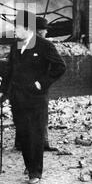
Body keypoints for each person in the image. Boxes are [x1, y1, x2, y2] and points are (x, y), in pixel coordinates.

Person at [0, 10, 66, 184]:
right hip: (17, 98)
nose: (14, 30)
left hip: (36, 99)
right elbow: (9, 71)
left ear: (28, 28)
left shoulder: (44, 45)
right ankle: (30, 166)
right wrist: (1, 91)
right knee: (23, 134)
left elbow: (60, 67)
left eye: (17, 27)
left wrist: (41, 83)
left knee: (35, 135)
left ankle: (35, 172)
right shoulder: (16, 46)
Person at [36, 16, 58, 152]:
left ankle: (21, 142)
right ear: (40, 31)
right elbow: (60, 66)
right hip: (39, 87)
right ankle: (43, 143)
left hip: (23, 87)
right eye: (45, 30)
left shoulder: (22, 43)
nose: (46, 33)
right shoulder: (46, 45)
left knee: (24, 115)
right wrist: (45, 82)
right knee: (41, 115)